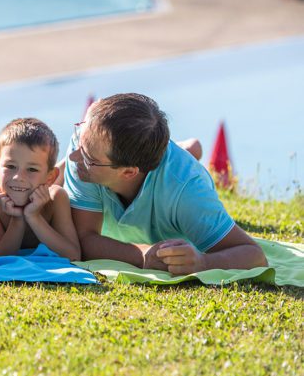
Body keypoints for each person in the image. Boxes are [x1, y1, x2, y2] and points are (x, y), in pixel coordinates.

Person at [57, 93, 267, 274]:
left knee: (179, 166)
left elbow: (254, 255)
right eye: (79, 142)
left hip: (174, 179)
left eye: (88, 158)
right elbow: (83, 239)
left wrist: (205, 262)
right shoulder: (88, 143)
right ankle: (187, 149)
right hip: (148, 166)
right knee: (49, 178)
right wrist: (143, 255)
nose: (75, 157)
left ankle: (187, 151)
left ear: (128, 172)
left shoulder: (188, 191)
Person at [0, 118, 80, 260]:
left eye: (32, 169)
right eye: (10, 166)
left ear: (50, 177)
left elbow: (73, 255)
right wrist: (17, 219)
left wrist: (34, 217)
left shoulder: (56, 198)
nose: (18, 177)